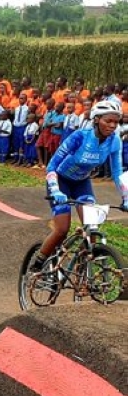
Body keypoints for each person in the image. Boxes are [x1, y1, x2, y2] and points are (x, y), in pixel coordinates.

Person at [34, 99, 128, 269]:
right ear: (97, 119)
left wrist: (126, 197)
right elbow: (52, 166)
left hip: (82, 183)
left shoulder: (115, 141)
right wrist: (55, 191)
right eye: (108, 121)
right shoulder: (80, 137)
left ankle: (82, 272)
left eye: (116, 121)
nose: (113, 125)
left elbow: (117, 173)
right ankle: (37, 264)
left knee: (91, 228)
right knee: (62, 229)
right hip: (60, 181)